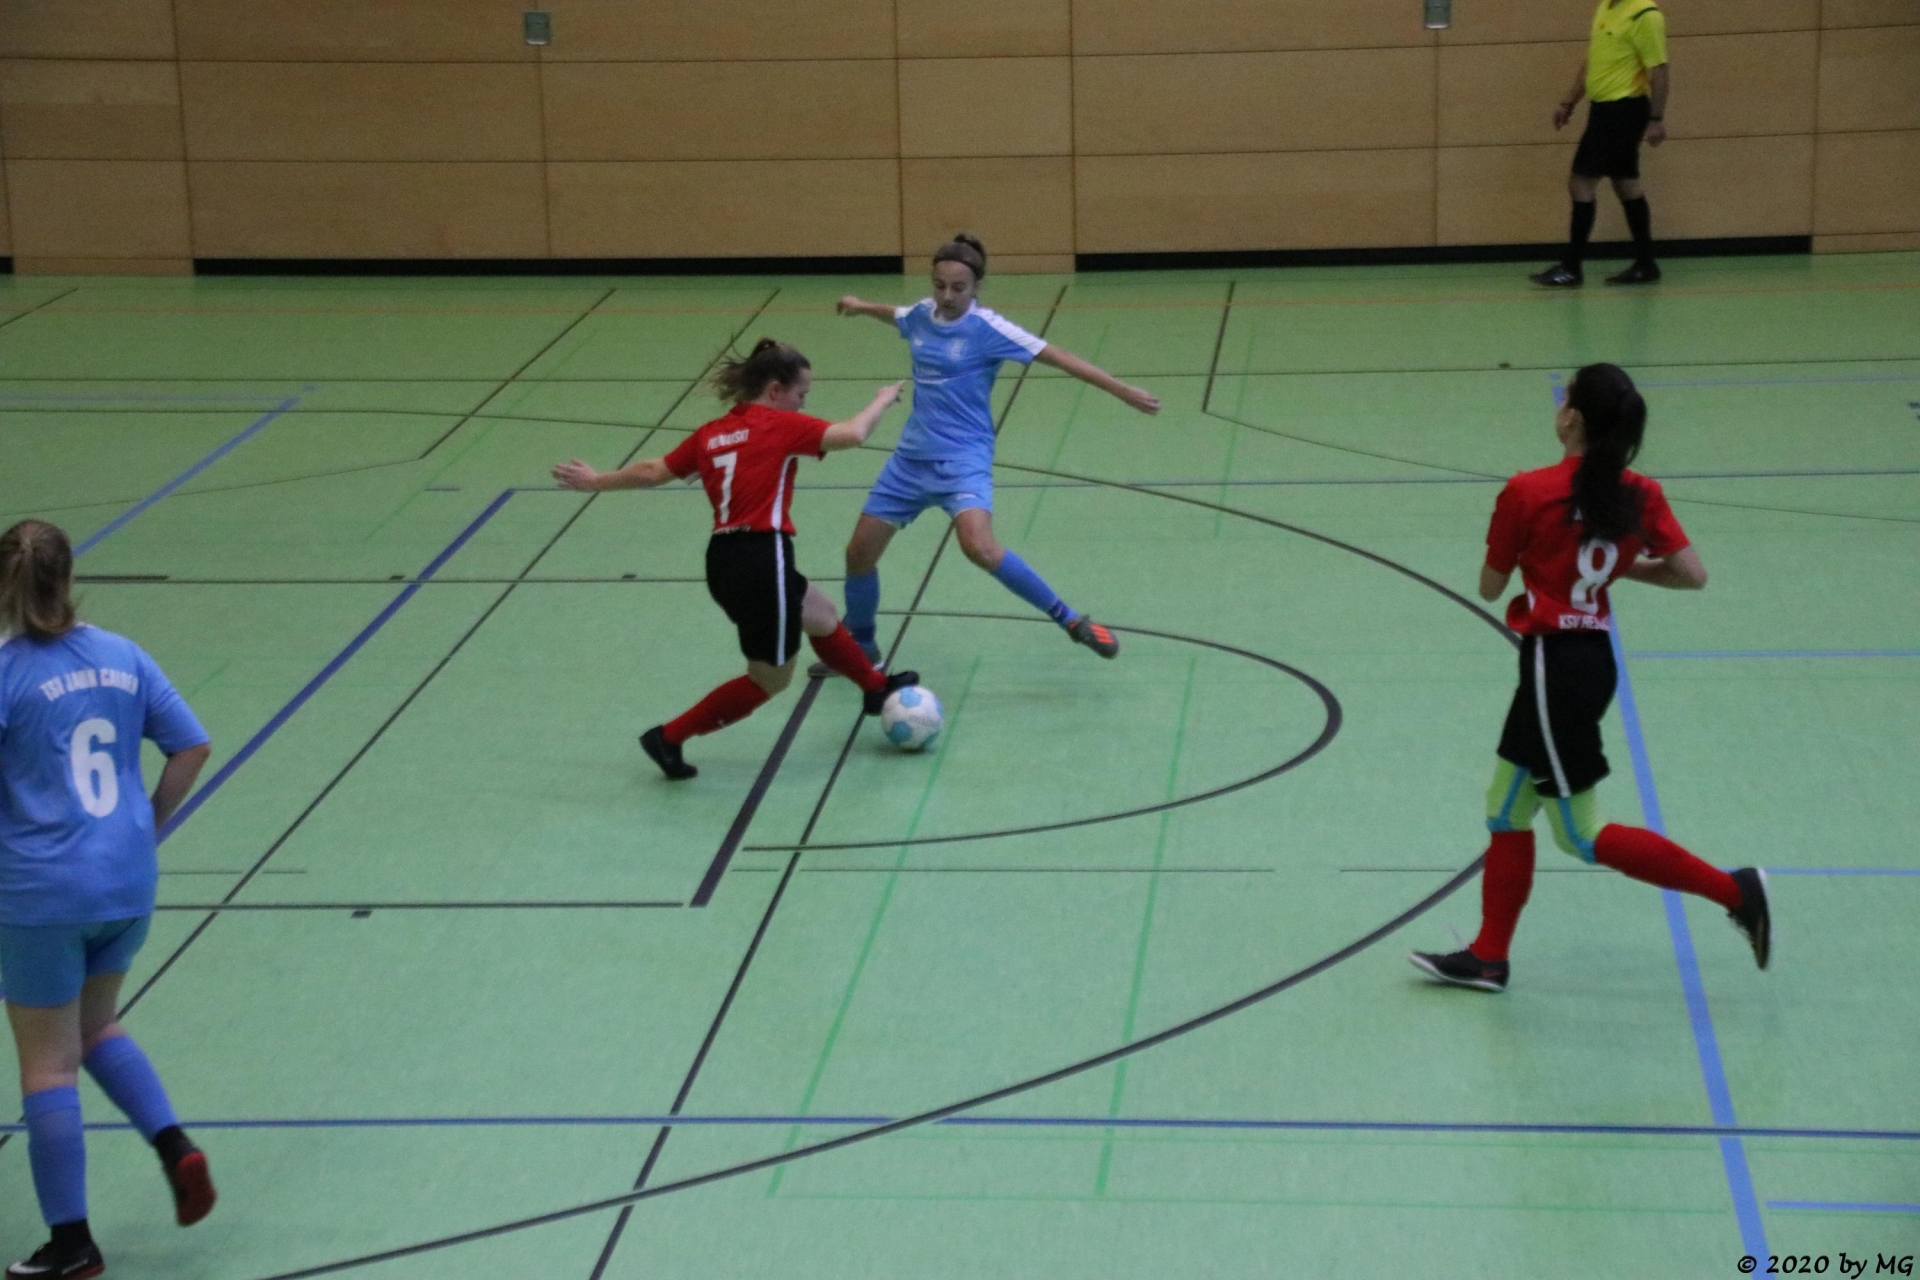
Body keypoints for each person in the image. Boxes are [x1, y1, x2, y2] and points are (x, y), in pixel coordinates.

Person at [1409, 364, 1769, 993]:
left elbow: (1490, 587)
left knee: (1580, 833)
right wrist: (1609, 569)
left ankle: (1735, 891)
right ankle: (1489, 957)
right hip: (1590, 659)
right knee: (1505, 808)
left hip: (1555, 668)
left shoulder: (1527, 490)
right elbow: (1692, 574)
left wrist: (1538, 551)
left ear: (1570, 417)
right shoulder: (1639, 493)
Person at [0, 520, 217, 1279]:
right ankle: (174, 1144)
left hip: (41, 893)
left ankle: (71, 1243)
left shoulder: (6, 672)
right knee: (96, 1026)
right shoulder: (123, 655)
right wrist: (146, 826)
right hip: (125, 882)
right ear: (69, 578)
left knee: (47, 1067)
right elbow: (191, 745)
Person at [553, 340, 918, 781]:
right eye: (801, 394)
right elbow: (854, 435)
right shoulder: (779, 424)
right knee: (770, 679)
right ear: (775, 390)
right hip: (763, 557)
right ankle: (669, 736)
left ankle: (875, 688)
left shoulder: (712, 433)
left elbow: (653, 471)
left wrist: (597, 481)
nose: (803, 403)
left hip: (725, 559)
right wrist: (882, 400)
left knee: (819, 613)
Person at [833, 233, 1161, 665]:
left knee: (980, 548)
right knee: (858, 554)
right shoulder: (921, 315)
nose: (947, 296)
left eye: (958, 288)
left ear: (977, 287)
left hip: (963, 460)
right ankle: (862, 646)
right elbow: (895, 315)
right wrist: (860, 306)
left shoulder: (989, 329)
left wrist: (1122, 391)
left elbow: (1059, 356)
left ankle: (1071, 621)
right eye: (939, 285)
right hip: (909, 462)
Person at [1531, 0, 1671, 288]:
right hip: (1603, 110)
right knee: (1626, 183)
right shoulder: (1606, 7)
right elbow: (1593, 61)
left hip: (1623, 109)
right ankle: (1646, 264)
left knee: (1581, 182)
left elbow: (1659, 70)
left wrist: (1656, 119)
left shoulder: (1645, 15)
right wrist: (1568, 102)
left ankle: (1571, 268)